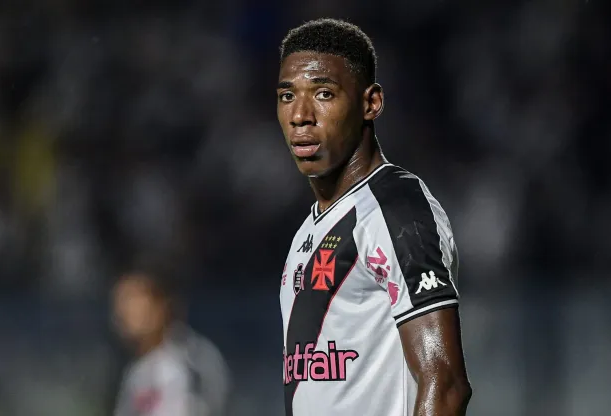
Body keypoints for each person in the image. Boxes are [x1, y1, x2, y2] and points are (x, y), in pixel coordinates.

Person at [276, 18, 472, 416]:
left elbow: (446, 384)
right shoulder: (311, 229)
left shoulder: (396, 207)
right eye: (286, 96)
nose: (300, 115)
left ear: (371, 103)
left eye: (324, 94)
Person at [111, 264, 229, 416]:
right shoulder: (138, 369)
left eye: (132, 298)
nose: (123, 310)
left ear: (160, 304)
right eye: (119, 301)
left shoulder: (189, 360)